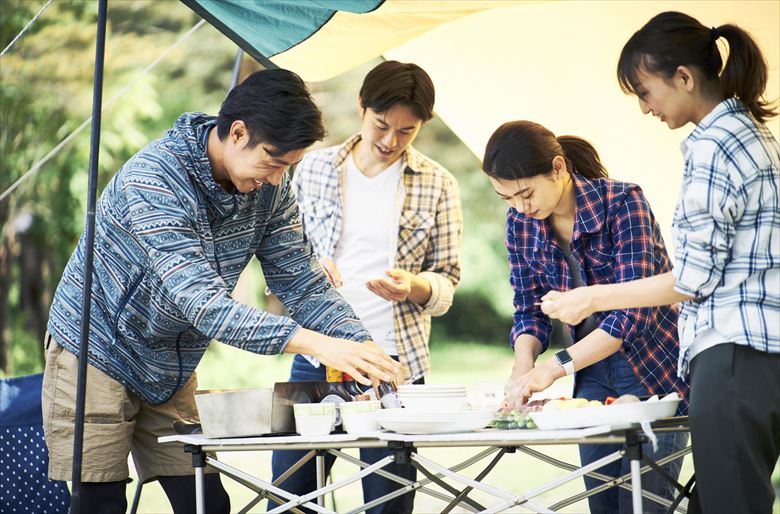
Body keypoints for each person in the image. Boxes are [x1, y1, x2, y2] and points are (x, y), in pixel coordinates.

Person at [42, 69, 401, 514]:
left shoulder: (272, 186)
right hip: (95, 348)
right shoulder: (155, 178)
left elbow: (302, 280)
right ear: (237, 132)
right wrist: (315, 344)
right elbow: (199, 300)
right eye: (272, 162)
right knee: (100, 500)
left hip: (170, 360)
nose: (276, 180)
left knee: (206, 501)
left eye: (288, 167)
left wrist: (357, 343)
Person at [540, 11, 780, 514]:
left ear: (685, 78)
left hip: (734, 352)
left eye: (645, 92)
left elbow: (693, 278)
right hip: (758, 353)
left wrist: (594, 296)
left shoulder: (715, 146)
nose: (645, 108)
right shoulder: (749, 134)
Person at [270, 60, 462, 514]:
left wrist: (413, 286)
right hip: (318, 353)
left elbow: (448, 281)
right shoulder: (312, 167)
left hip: (393, 363)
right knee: (291, 494)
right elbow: (280, 254)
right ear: (362, 106)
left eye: (406, 131)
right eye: (382, 125)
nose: (390, 141)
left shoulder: (439, 183)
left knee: (388, 498)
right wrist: (312, 266)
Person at [481, 120, 689, 513]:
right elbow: (529, 307)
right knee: (603, 504)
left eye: (526, 193)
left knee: (643, 505)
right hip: (590, 376)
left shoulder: (624, 202)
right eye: (507, 198)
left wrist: (553, 369)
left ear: (558, 168)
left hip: (650, 372)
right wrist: (522, 370)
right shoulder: (520, 223)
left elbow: (633, 316)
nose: (521, 207)